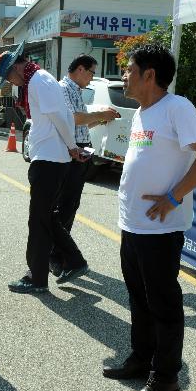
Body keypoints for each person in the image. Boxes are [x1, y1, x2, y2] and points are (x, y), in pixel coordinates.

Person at [103, 43, 196, 391]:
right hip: (133, 224)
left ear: (150, 75)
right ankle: (142, 358)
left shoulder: (177, 107)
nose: (124, 76)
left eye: (129, 69)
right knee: (138, 297)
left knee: (164, 305)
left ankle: (165, 379)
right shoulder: (142, 113)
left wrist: (174, 196)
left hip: (161, 229)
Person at [0, 42, 89, 294]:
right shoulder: (36, 80)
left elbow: (62, 117)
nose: (11, 82)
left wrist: (72, 147)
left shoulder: (39, 80)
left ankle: (37, 277)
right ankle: (73, 261)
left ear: (17, 66)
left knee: (39, 220)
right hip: (47, 156)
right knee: (44, 217)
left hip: (50, 158)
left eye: (8, 76)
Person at [49, 54, 120, 277]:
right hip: (70, 153)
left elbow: (82, 125)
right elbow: (72, 119)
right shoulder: (62, 89)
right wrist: (100, 114)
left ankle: (61, 255)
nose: (92, 78)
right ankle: (56, 255)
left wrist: (102, 119)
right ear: (80, 69)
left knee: (71, 205)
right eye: (91, 73)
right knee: (64, 205)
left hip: (81, 150)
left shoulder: (76, 91)